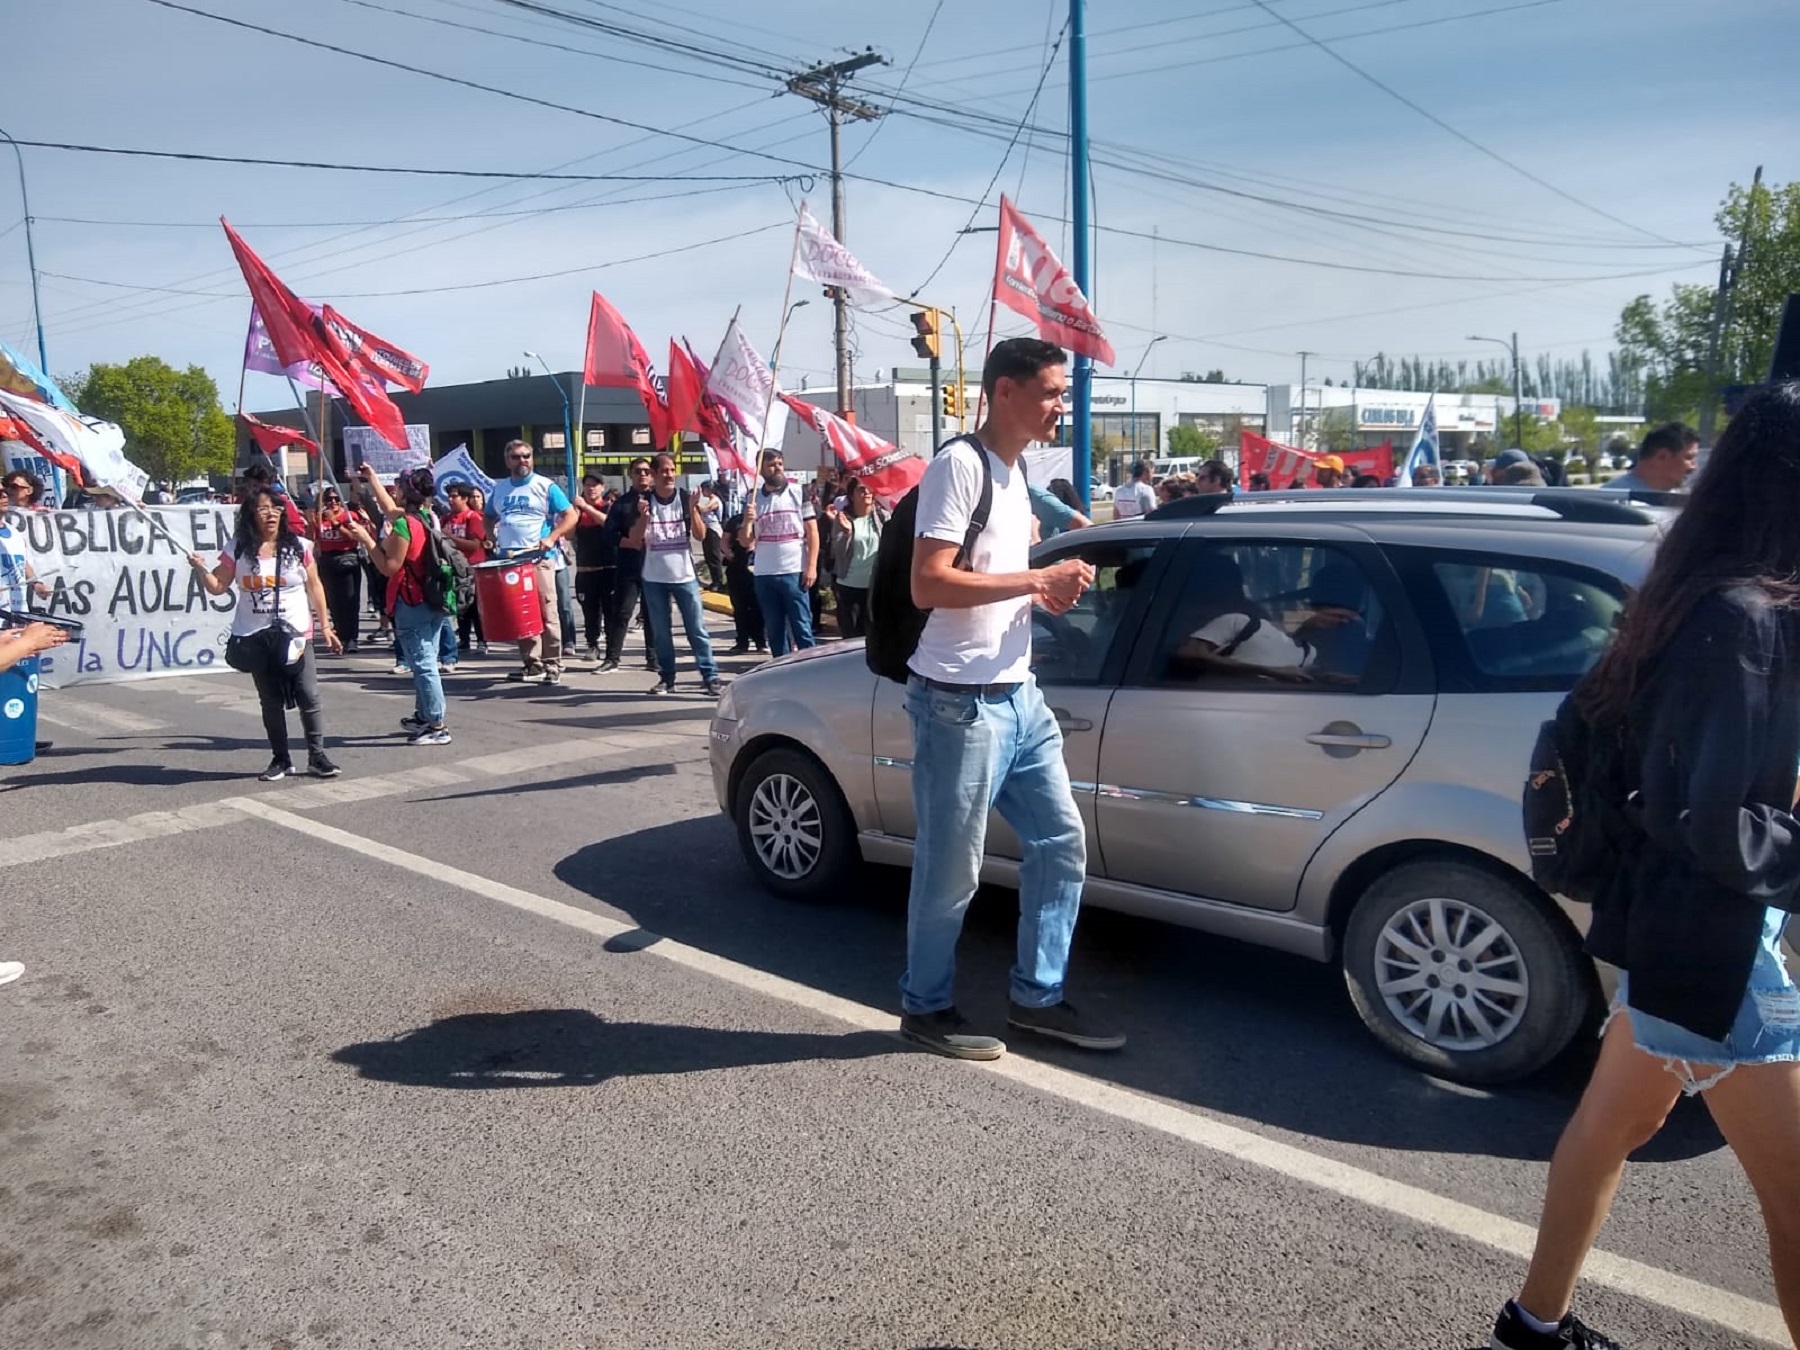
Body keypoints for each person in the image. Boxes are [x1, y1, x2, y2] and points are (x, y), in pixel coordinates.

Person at [1489, 383, 1800, 1350]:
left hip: (1680, 931)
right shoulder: (1737, 617)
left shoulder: (1706, 596)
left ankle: (1534, 1325)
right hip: (1716, 940)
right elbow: (1711, 822)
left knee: (1609, 1125)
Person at [899, 336, 1123, 1061]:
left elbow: (986, 580)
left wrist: (1045, 594)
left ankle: (1038, 998)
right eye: (1054, 392)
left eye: (1063, 392)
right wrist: (1034, 581)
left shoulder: (1016, 470)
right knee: (950, 870)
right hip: (957, 704)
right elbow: (928, 584)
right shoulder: (958, 466)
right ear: (1004, 391)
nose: (1063, 405)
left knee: (1061, 844)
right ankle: (925, 1007)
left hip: (1019, 699)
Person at [187, 487, 342, 781]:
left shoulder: (298, 545)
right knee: (270, 700)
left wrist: (326, 627)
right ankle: (281, 759)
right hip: (256, 635)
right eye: (262, 509)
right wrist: (200, 569)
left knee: (308, 694)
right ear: (250, 515)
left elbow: (315, 587)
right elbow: (218, 587)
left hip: (295, 633)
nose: (270, 514)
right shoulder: (238, 548)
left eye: (275, 508)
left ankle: (317, 755)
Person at [341, 466, 454, 746]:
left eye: (399, 487)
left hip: (412, 601)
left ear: (407, 491)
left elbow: (389, 567)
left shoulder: (406, 524)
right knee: (425, 662)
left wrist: (367, 540)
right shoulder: (426, 517)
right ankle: (425, 715)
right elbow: (389, 508)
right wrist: (372, 479)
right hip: (433, 599)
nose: (396, 492)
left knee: (424, 664)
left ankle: (437, 725)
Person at [629, 451, 723, 696]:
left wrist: (693, 510)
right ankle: (666, 678)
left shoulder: (685, 498)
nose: (669, 475)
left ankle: (710, 676)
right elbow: (635, 539)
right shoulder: (644, 502)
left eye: (672, 470)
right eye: (664, 471)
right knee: (661, 632)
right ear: (654, 475)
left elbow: (701, 536)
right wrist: (643, 518)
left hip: (685, 577)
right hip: (654, 577)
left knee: (697, 629)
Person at [486, 440, 577, 686]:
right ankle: (532, 663)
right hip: (510, 562)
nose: (522, 460)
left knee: (547, 612)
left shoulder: (545, 486)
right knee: (521, 614)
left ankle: (553, 664)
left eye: (526, 456)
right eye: (516, 457)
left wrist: (551, 538)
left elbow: (571, 515)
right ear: (508, 461)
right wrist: (491, 538)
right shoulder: (500, 489)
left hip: (538, 559)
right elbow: (488, 516)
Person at [743, 449, 818, 657]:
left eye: (779, 464)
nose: (777, 468)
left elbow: (812, 532)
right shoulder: (753, 498)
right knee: (775, 631)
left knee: (802, 627)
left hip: (794, 570)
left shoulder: (797, 491)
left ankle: (811, 672)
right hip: (764, 573)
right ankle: (781, 672)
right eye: (771, 465)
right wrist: (748, 521)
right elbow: (745, 541)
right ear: (761, 469)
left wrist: (811, 566)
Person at [598, 458, 653, 672]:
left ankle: (653, 657)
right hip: (628, 564)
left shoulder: (659, 500)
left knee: (653, 614)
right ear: (630, 474)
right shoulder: (621, 503)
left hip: (654, 564)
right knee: (622, 612)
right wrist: (627, 542)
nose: (643, 475)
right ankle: (612, 658)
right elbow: (609, 534)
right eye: (638, 471)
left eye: (647, 471)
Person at [308, 485, 369, 653]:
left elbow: (353, 537)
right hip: (328, 559)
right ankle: (340, 635)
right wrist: (313, 523)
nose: (333, 502)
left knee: (350, 600)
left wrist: (335, 523)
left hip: (347, 557)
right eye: (329, 499)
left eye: (336, 499)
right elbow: (311, 539)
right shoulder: (321, 517)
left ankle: (352, 638)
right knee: (333, 601)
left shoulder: (349, 516)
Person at [828, 478, 885, 638]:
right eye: (861, 489)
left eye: (868, 489)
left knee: (874, 635)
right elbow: (837, 553)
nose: (866, 492)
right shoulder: (843, 518)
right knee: (852, 636)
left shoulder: (882, 517)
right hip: (849, 586)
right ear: (852, 496)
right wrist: (847, 533)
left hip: (874, 587)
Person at [441, 482, 488, 656]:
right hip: (454, 569)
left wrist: (450, 538)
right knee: (460, 605)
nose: (450, 500)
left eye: (454, 496)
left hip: (473, 567)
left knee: (476, 606)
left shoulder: (473, 518)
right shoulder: (446, 518)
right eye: (449, 496)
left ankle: (482, 640)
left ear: (465, 498)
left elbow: (475, 545)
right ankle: (464, 638)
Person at [571, 472, 612, 660]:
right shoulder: (578, 511)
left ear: (602, 487)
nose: (591, 488)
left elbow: (608, 524)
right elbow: (569, 535)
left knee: (611, 611)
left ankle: (612, 647)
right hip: (585, 569)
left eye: (595, 485)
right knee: (590, 612)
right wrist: (575, 513)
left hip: (607, 569)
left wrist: (587, 507)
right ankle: (592, 645)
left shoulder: (608, 508)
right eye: (588, 484)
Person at [1607, 421, 1700, 494]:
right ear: (1662, 456)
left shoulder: (1683, 501)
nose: (1693, 467)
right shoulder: (1613, 500)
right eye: (1689, 458)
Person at [720, 510, 766, 655]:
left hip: (756, 565)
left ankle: (760, 642)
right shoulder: (736, 520)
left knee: (757, 607)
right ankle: (742, 642)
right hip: (736, 565)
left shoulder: (762, 518)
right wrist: (728, 552)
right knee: (739, 607)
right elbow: (724, 540)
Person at [696, 479, 726, 591]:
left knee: (714, 557)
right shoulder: (709, 500)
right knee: (708, 556)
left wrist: (693, 502)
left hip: (713, 529)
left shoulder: (715, 500)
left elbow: (704, 509)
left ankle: (718, 582)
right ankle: (714, 581)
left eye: (704, 489)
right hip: (707, 529)